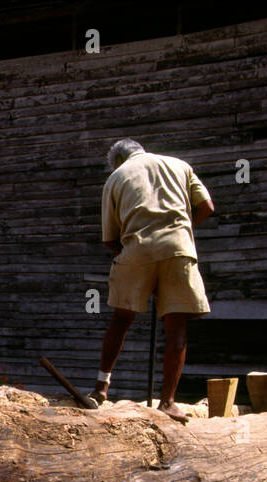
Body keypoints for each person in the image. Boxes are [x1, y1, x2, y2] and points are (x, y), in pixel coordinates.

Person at [91, 138, 215, 423]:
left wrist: (140, 251)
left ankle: (101, 387)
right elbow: (207, 206)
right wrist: (177, 230)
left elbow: (110, 239)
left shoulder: (116, 177)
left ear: (118, 160)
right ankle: (168, 402)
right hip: (179, 248)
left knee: (121, 319)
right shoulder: (180, 165)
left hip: (138, 247)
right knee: (176, 326)